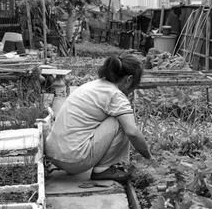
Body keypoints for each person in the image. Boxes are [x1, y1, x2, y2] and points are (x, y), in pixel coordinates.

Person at [45, 53, 152, 181]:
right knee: (122, 122)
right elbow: (132, 132)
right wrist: (149, 158)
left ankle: (105, 165)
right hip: (73, 160)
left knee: (120, 118)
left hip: (53, 154)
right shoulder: (115, 95)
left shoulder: (94, 85)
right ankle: (102, 170)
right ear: (129, 80)